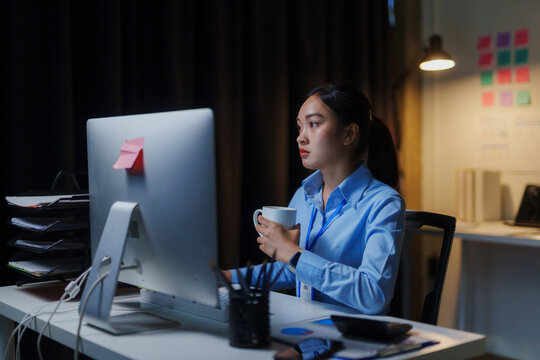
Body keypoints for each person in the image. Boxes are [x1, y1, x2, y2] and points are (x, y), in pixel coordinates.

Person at [224, 83, 405, 315]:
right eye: (299, 127)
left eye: (314, 124)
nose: (301, 138)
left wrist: (291, 252)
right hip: (307, 333)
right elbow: (291, 269)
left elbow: (374, 294)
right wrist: (229, 277)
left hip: (351, 341)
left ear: (349, 133)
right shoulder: (303, 196)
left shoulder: (384, 203)